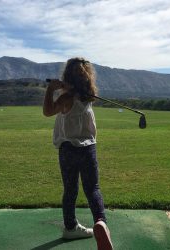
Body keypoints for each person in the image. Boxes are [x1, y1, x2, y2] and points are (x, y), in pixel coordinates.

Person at [43, 57, 113, 250]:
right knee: (93, 189)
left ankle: (70, 227)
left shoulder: (66, 98)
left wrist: (51, 89)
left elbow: (47, 111)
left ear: (67, 76)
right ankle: (101, 223)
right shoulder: (88, 96)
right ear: (88, 77)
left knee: (70, 189)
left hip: (68, 150)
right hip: (88, 148)